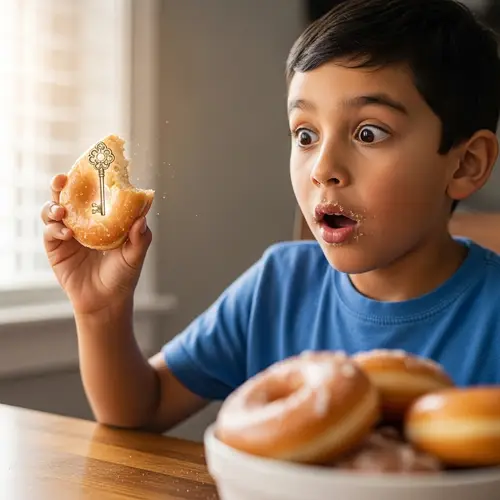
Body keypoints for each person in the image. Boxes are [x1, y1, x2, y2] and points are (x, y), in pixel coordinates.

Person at [40, 0, 500, 434]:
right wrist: (101, 310)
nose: (323, 169)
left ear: (465, 164)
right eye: (305, 135)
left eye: (367, 132)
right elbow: (141, 408)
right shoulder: (278, 287)